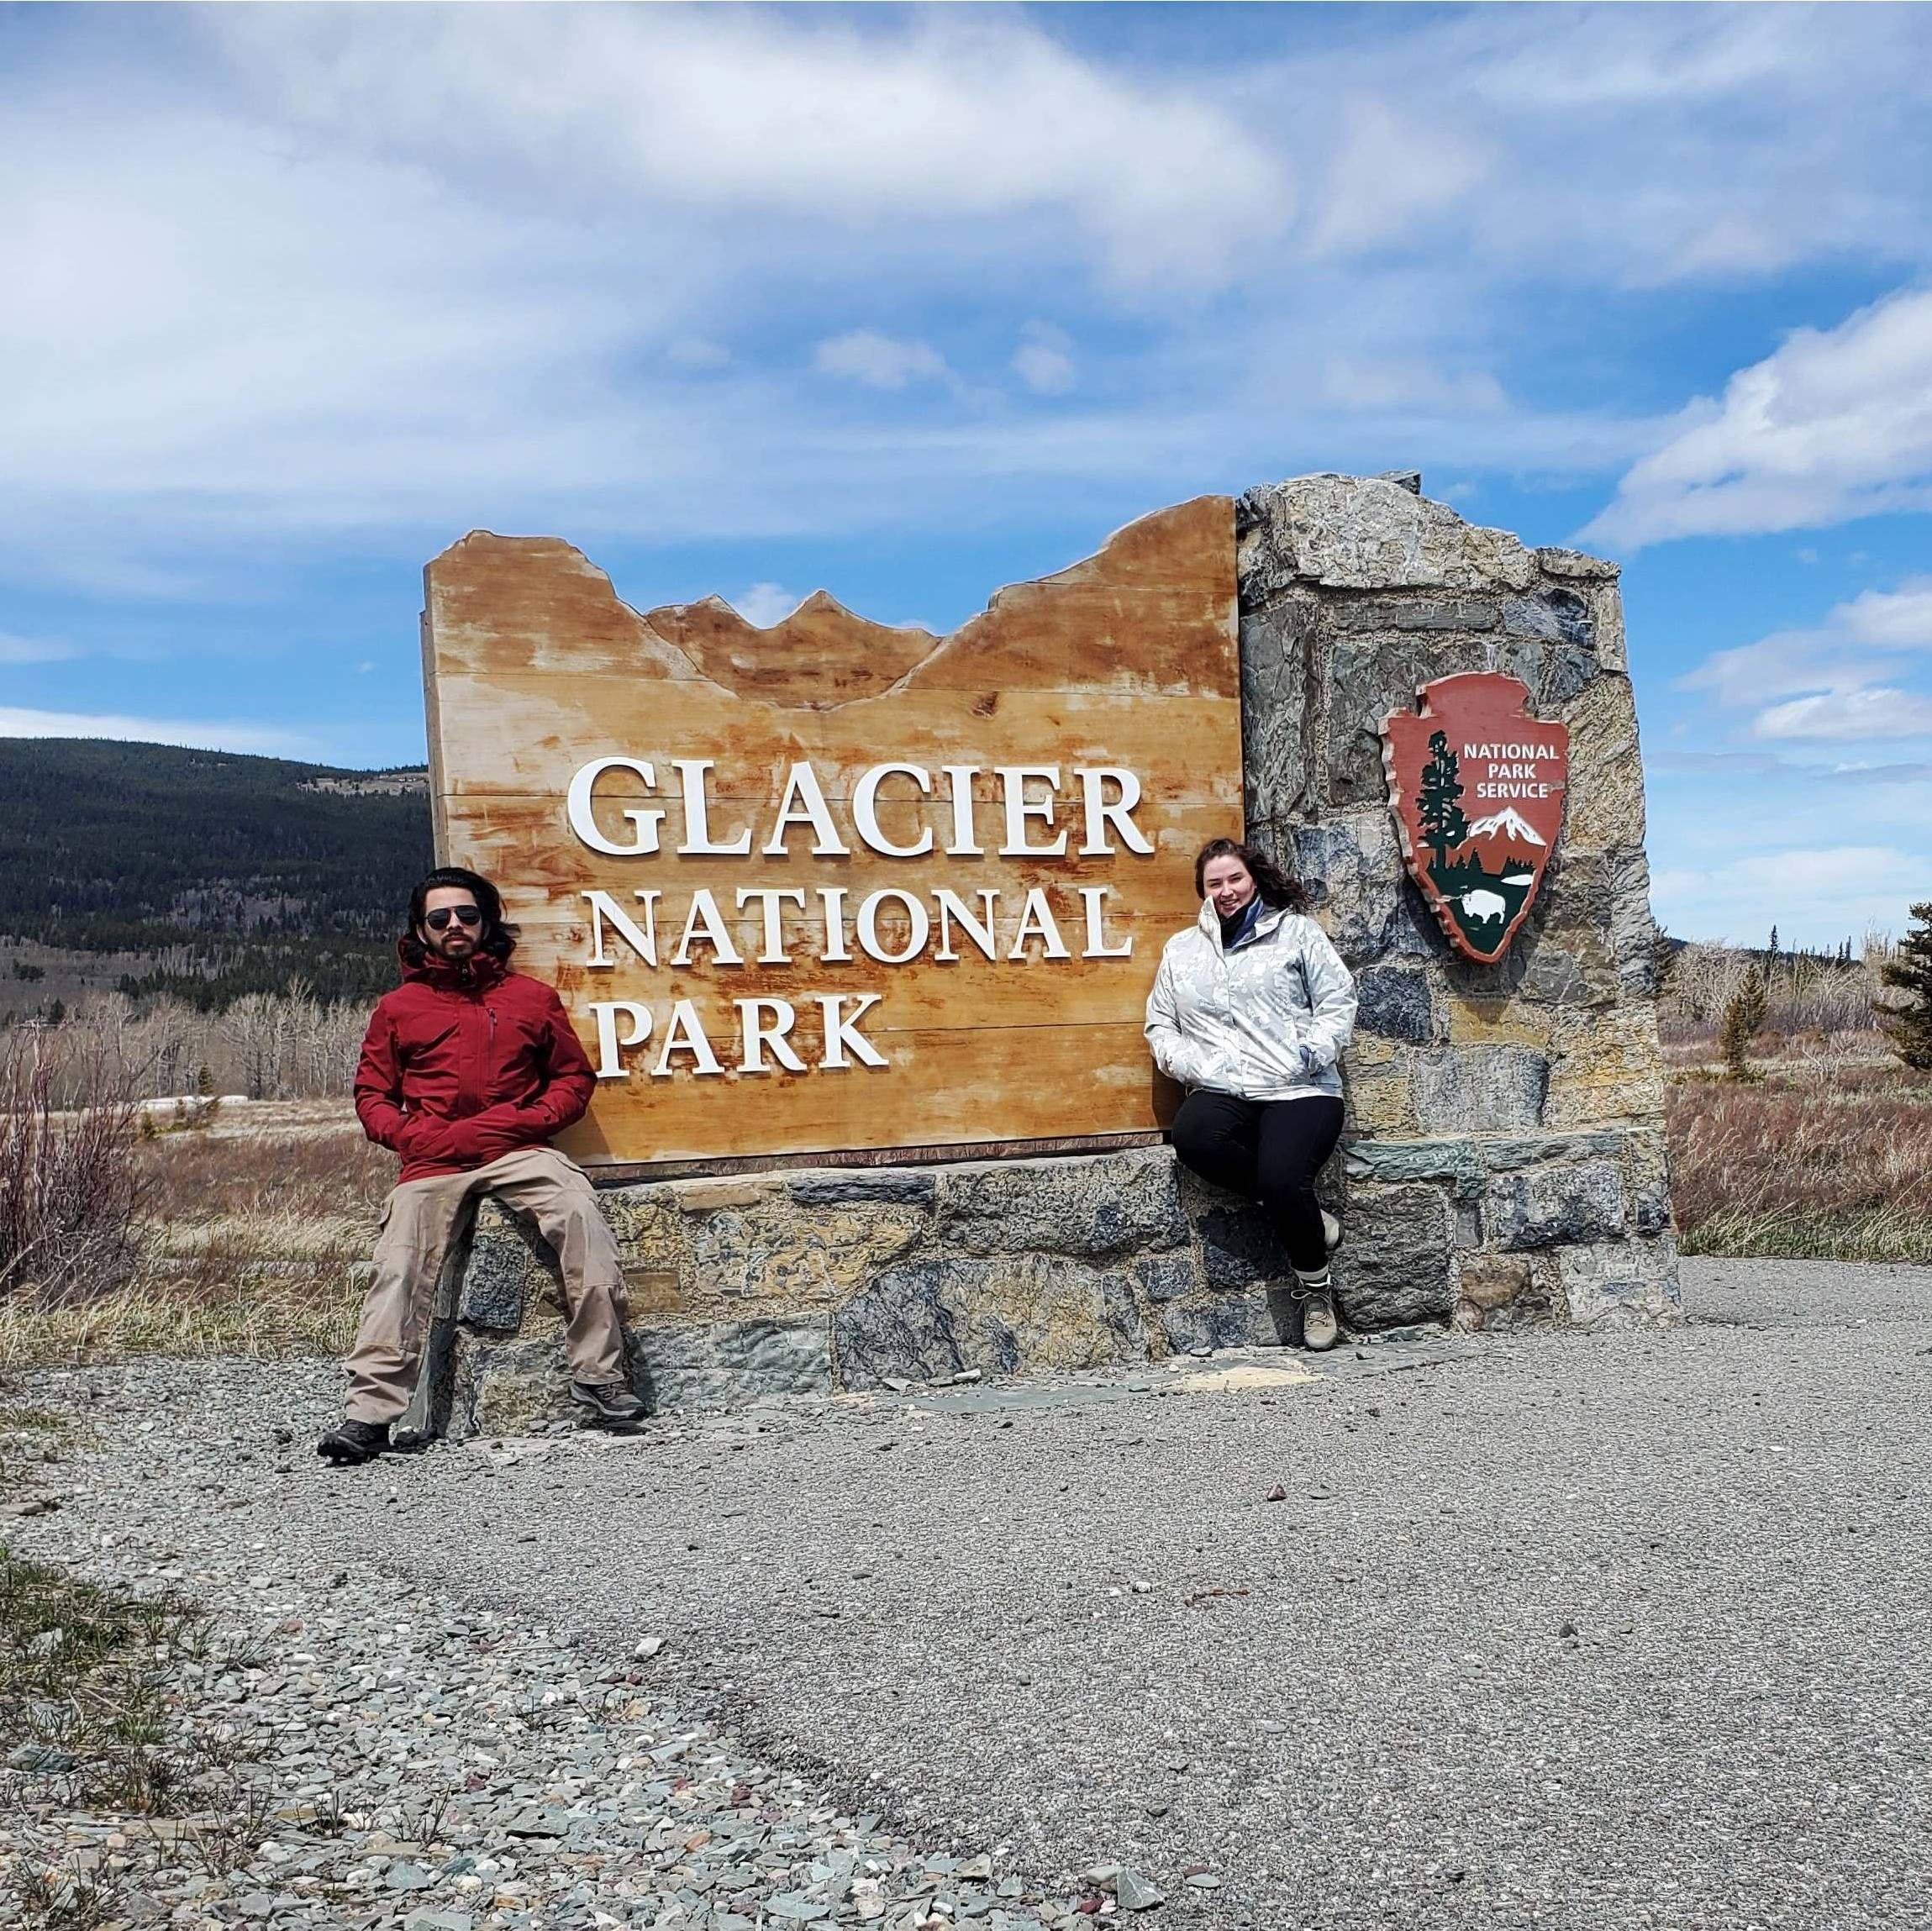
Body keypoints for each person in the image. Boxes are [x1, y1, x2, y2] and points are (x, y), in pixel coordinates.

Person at [318, 866, 644, 1465]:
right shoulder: (399, 1008)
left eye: (466, 915)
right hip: (432, 1160)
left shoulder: (530, 999)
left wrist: (519, 1123)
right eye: (439, 919)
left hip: (518, 1148)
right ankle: (369, 1416)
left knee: (582, 1219)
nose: (455, 927)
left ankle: (599, 1375)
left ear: (486, 921)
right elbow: (372, 1097)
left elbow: (572, 1078)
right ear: (421, 931)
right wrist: (415, 1136)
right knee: (399, 1267)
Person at [1144, 838, 1358, 1350]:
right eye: (1214, 883)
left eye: (1234, 879)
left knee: (1284, 1181)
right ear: (1202, 890)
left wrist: (1309, 1053)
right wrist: (1193, 1065)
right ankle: (1308, 1218)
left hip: (1299, 1088)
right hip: (1227, 1086)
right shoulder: (1183, 951)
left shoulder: (1296, 934)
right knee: (1194, 1136)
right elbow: (1161, 1024)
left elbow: (1338, 998)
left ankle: (1315, 1289)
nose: (1226, 891)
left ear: (1253, 878)